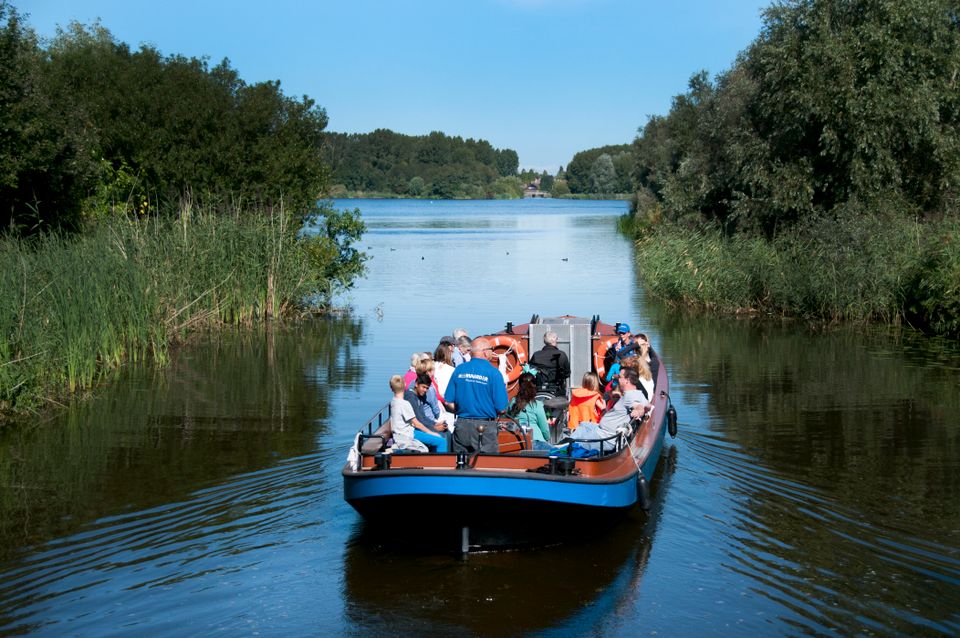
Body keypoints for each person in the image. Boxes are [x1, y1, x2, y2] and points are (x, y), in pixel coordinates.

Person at [445, 337, 508, 454]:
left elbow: (448, 401)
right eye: (491, 349)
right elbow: (502, 408)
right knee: (487, 466)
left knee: (460, 464)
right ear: (485, 351)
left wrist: (462, 411)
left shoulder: (459, 369)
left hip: (462, 425)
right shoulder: (493, 373)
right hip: (485, 428)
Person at [571, 368, 649, 453]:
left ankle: (561, 451)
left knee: (574, 442)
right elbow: (648, 406)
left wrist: (638, 412)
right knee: (583, 425)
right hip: (601, 430)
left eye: (619, 377)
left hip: (605, 438)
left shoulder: (630, 396)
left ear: (627, 380)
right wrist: (645, 409)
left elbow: (638, 406)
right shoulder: (638, 393)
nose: (617, 378)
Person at [403, 372, 450, 452]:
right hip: (411, 430)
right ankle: (439, 463)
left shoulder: (420, 396)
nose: (425, 390)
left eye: (427, 388)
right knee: (442, 438)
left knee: (447, 433)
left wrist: (436, 424)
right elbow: (417, 421)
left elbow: (423, 417)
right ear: (416, 384)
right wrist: (434, 428)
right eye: (423, 387)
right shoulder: (411, 397)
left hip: (419, 427)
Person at [507, 372, 552, 449]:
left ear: (519, 386)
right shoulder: (537, 404)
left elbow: (508, 419)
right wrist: (547, 438)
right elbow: (544, 428)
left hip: (517, 441)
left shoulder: (512, 401)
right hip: (536, 441)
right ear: (534, 386)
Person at [388, 375, 429, 452]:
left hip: (399, 434)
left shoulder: (393, 401)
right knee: (441, 441)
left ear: (391, 388)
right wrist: (431, 432)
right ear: (405, 385)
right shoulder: (405, 404)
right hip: (406, 435)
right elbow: (417, 424)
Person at [528, 331, 571, 395]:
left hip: (539, 389)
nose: (557, 341)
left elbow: (530, 371)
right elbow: (567, 373)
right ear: (553, 341)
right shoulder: (562, 354)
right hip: (558, 390)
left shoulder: (536, 355)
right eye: (557, 339)